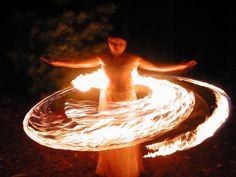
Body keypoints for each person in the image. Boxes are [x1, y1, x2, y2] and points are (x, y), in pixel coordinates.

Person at [41, 36, 197, 177]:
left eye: (120, 43)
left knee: (126, 134)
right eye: (113, 42)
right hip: (108, 99)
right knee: (110, 133)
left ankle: (127, 170)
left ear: (126, 44)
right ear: (108, 42)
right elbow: (76, 63)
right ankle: (110, 169)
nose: (117, 46)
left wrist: (181, 67)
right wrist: (55, 62)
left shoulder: (133, 58)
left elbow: (156, 66)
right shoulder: (102, 58)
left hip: (127, 99)